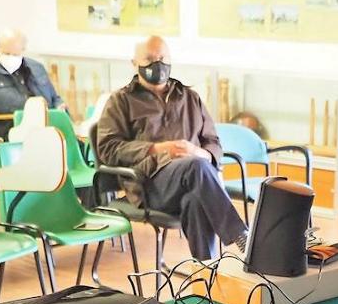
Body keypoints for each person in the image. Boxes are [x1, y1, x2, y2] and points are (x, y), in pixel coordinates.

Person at [92, 35, 247, 261]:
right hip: (149, 184)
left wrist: (199, 152)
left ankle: (207, 273)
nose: (158, 64)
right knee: (196, 167)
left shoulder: (190, 98)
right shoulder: (121, 101)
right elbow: (109, 149)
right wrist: (157, 149)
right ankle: (240, 234)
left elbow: (213, 142)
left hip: (194, 181)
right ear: (134, 63)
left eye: (163, 57)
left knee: (194, 199)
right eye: (150, 59)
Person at [0, 28, 63, 139]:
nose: (11, 58)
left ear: (23, 49)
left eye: (15, 54)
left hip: (45, 129)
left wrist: (60, 107)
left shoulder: (37, 68)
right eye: (7, 53)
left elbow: (54, 98)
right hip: (8, 133)